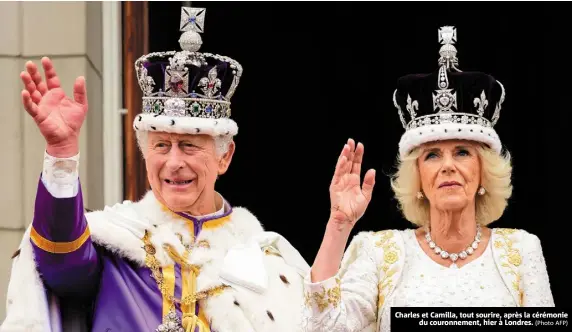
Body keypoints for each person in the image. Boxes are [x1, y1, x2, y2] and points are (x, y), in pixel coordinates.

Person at [2, 6, 309, 332]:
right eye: (161, 145)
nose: (174, 162)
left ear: (225, 156)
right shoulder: (116, 241)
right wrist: (62, 155)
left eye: (190, 145)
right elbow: (60, 263)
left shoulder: (266, 263)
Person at [300, 26, 554, 332]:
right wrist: (338, 225)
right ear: (417, 175)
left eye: (462, 152)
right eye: (432, 155)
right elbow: (322, 328)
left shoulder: (522, 250)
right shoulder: (379, 252)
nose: (447, 166)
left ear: (483, 171)